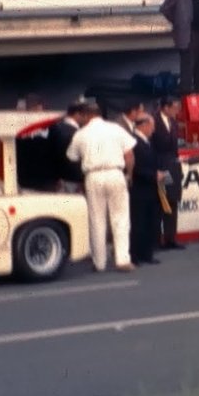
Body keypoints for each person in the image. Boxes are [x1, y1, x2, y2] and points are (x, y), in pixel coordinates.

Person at [66, 103, 137, 272]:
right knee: (120, 218)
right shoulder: (115, 129)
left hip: (93, 176)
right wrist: (129, 175)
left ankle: (99, 263)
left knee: (96, 220)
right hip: (115, 173)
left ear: (86, 116)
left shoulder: (80, 134)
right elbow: (129, 155)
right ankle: (122, 259)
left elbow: (72, 157)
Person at [128, 115, 163, 266]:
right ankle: (134, 255)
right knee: (138, 223)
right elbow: (135, 168)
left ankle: (147, 253)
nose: (153, 129)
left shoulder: (148, 142)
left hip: (151, 188)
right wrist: (153, 175)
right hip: (139, 189)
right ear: (143, 125)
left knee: (150, 221)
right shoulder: (134, 142)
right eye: (152, 125)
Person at [151, 96, 184, 249]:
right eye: (174, 108)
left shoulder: (174, 122)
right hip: (160, 165)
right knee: (160, 202)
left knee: (172, 200)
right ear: (165, 107)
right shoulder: (153, 121)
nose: (176, 111)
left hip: (173, 165)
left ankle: (171, 238)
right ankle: (157, 239)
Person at [48, 101, 87, 193]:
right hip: (73, 180)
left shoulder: (55, 128)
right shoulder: (75, 133)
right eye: (84, 115)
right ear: (77, 114)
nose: (85, 118)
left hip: (58, 178)